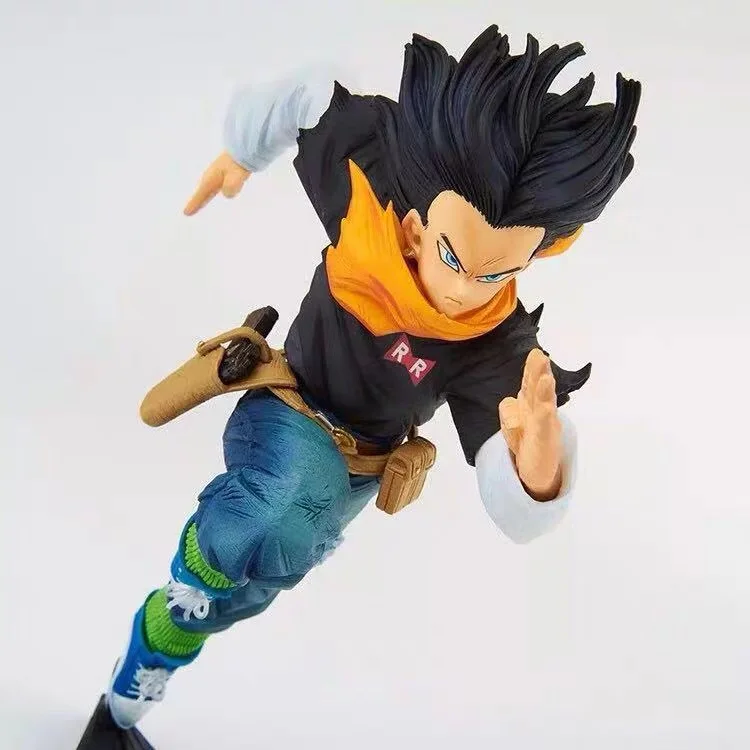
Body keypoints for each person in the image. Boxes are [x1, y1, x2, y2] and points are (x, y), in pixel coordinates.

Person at [77, 24, 641, 747]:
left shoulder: (494, 343)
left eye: (496, 272)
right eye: (453, 257)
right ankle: (194, 572)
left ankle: (128, 694)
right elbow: (311, 99)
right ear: (418, 227)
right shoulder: (366, 192)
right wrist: (242, 151)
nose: (465, 290)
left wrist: (536, 470)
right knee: (279, 505)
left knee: (255, 584)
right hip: (287, 412)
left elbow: (506, 473)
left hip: (358, 474)